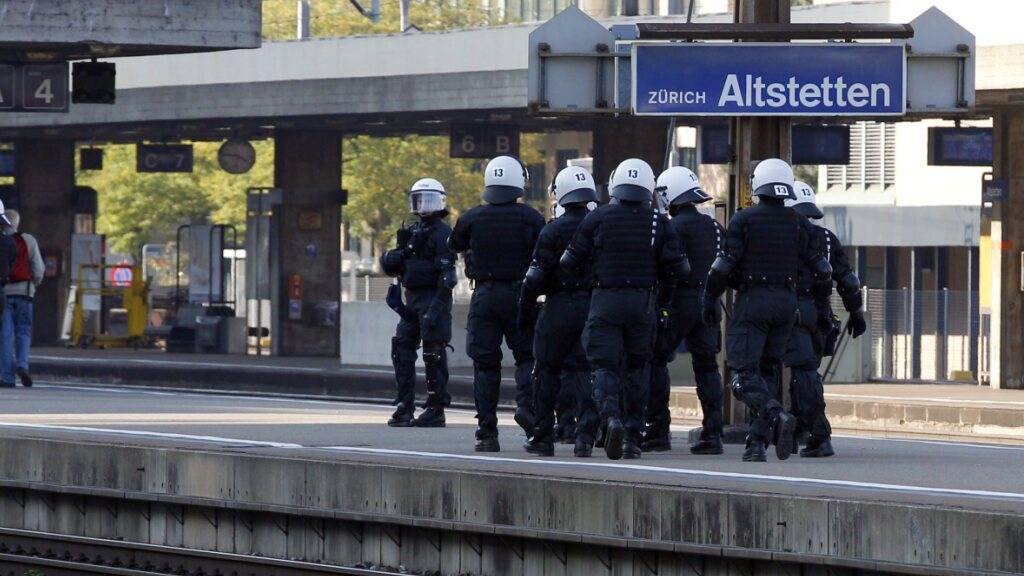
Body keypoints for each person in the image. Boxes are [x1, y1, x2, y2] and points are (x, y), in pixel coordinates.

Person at [701, 158, 831, 463]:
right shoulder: (798, 222)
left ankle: (774, 414)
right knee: (769, 370)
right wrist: (822, 311)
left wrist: (709, 297)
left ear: (757, 184)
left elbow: (724, 264)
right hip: (787, 303)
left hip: (753, 302)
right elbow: (823, 270)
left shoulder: (744, 220)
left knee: (744, 375)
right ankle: (756, 443)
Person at [561, 158, 686, 460]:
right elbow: (680, 268)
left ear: (616, 184)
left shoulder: (598, 218)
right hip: (643, 302)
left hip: (605, 300)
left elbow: (569, 262)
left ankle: (610, 418)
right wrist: (662, 298)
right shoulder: (660, 222)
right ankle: (632, 436)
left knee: (603, 366)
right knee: (636, 368)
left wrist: (592, 277)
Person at [450, 156, 546, 452]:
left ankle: (486, 432)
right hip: (520, 295)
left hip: (485, 295)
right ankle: (527, 410)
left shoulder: (471, 218)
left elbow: (453, 245)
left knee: (485, 364)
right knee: (528, 357)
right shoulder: (531, 218)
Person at [643, 167, 725, 455]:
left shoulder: (671, 227)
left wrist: (660, 305)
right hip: (708, 303)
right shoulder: (715, 227)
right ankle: (713, 433)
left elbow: (663, 267)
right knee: (707, 367)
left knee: (656, 361)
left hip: (677, 302)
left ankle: (657, 430)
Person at [519, 166, 600, 457]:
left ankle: (542, 436)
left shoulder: (552, 230)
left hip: (557, 307)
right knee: (587, 370)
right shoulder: (599, 225)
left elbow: (534, 277)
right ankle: (586, 435)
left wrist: (525, 310)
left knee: (547, 370)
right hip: (592, 305)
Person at [783, 182, 867, 458]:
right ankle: (798, 431)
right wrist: (856, 314)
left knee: (802, 375)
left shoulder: (785, 237)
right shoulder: (828, 238)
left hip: (791, 313)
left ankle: (819, 434)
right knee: (804, 374)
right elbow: (849, 281)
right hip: (821, 317)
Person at [379, 179, 456, 427]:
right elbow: (393, 266)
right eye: (419, 200)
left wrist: (436, 308)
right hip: (411, 298)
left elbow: (448, 277)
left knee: (433, 353)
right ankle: (404, 404)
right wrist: (397, 253)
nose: (423, 206)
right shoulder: (411, 232)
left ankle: (436, 407)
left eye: (429, 200)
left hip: (434, 297)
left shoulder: (444, 234)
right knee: (401, 347)